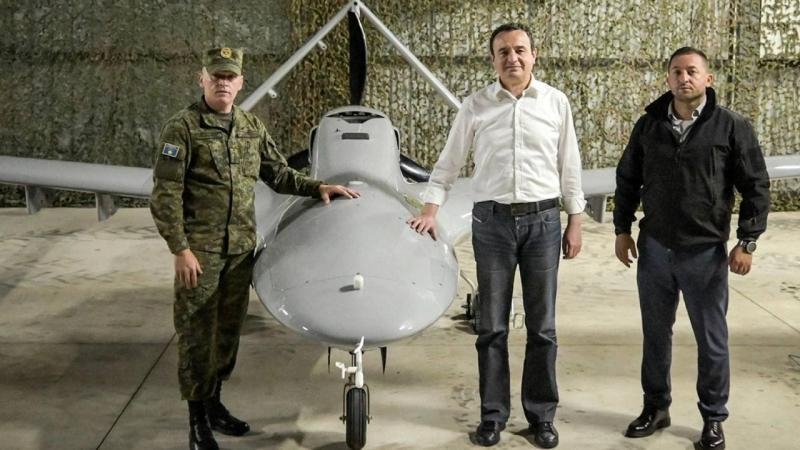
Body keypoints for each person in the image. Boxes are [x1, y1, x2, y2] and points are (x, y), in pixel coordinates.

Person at [150, 47, 360, 450]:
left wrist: (318, 187)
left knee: (227, 335)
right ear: (202, 79)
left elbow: (278, 174)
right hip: (201, 252)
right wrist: (180, 248)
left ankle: (214, 405)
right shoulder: (183, 128)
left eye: (230, 77)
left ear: (241, 82)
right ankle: (197, 422)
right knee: (197, 335)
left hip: (240, 250)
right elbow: (165, 194)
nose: (223, 82)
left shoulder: (250, 126)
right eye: (216, 76)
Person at [408, 23, 585, 449]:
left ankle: (541, 417)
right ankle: (492, 417)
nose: (512, 58)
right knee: (491, 328)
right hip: (492, 225)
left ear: (534, 55)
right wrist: (430, 209)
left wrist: (575, 219)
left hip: (543, 222)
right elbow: (448, 163)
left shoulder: (555, 102)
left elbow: (570, 164)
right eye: (503, 51)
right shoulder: (476, 106)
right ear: (493, 60)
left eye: (520, 49)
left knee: (543, 328)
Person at [613, 46, 770, 450]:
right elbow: (627, 178)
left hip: (704, 252)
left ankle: (713, 419)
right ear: (668, 78)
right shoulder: (649, 125)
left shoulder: (731, 126)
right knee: (655, 335)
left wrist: (747, 241)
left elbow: (756, 186)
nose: (684, 78)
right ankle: (655, 408)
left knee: (711, 340)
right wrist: (622, 229)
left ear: (707, 79)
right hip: (655, 249)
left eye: (692, 72)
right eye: (677, 72)